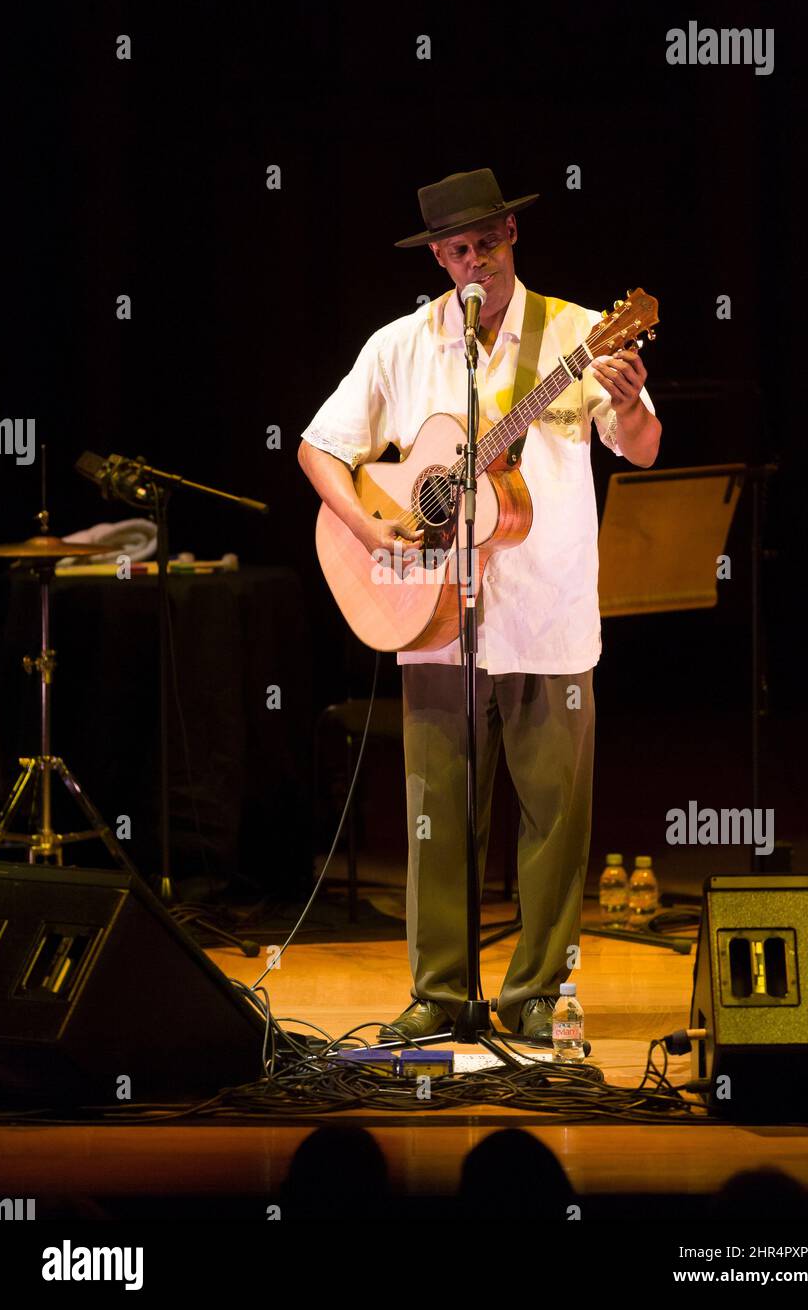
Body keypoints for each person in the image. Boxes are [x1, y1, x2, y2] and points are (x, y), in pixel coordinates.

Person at [298, 168, 660, 1042]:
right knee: (438, 817)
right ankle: (441, 993)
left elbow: (643, 449)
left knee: (553, 821)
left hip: (547, 614)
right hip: (431, 622)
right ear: (437, 257)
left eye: (488, 244)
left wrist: (627, 398)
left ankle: (537, 993)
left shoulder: (577, 331)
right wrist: (377, 532)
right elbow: (319, 448)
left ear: (512, 237)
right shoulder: (401, 345)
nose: (476, 264)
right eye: (458, 251)